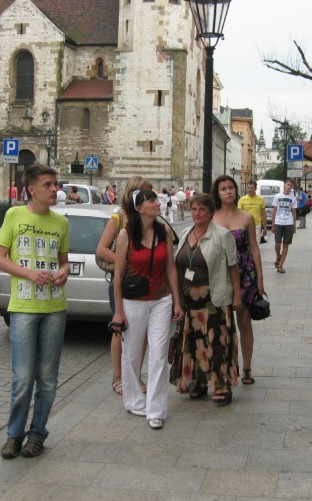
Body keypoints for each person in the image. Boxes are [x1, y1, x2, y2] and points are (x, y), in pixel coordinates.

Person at [0, 164, 70, 459]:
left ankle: (37, 434)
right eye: (48, 185)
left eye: (56, 184)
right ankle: (14, 435)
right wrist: (28, 273)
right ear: (32, 189)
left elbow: (63, 261)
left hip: (54, 307)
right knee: (23, 377)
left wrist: (63, 272)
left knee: (48, 378)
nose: (55, 189)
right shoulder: (14, 215)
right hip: (24, 307)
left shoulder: (61, 223)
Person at [110, 188, 182, 429]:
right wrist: (118, 310)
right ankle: (133, 401)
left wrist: (176, 301)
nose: (156, 203)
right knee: (131, 354)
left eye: (155, 199)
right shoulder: (125, 235)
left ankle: (156, 410)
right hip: (134, 301)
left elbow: (171, 267)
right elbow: (118, 274)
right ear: (139, 208)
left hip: (161, 299)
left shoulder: (164, 232)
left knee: (159, 353)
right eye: (151, 200)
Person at [170, 193, 241, 405]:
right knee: (192, 341)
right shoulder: (184, 233)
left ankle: (221, 384)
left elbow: (233, 267)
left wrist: (236, 295)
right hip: (189, 299)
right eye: (193, 209)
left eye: (201, 209)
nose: (197, 213)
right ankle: (197, 381)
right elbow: (178, 265)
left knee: (217, 341)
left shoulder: (222, 235)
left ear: (211, 212)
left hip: (214, 298)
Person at [96, 176, 153, 396]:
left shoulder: (148, 219)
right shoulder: (120, 217)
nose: (151, 198)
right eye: (147, 194)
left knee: (143, 330)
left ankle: (135, 375)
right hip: (122, 281)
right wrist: (126, 262)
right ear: (135, 195)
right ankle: (118, 377)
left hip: (144, 282)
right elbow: (101, 249)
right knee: (121, 328)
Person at [212, 175, 264, 387]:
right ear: (217, 193)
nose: (228, 191)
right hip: (220, 272)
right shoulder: (211, 217)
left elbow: (254, 248)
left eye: (231, 187)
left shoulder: (246, 217)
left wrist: (260, 278)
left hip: (245, 271)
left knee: (244, 322)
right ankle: (224, 366)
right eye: (223, 188)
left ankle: (247, 367)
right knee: (222, 324)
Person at [269, 179, 297, 274]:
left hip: (288, 223)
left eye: (291, 185)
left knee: (286, 245)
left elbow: (294, 212)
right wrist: (273, 224)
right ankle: (278, 256)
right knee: (277, 244)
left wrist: (294, 225)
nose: (289, 186)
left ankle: (280, 266)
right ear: (284, 185)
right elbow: (274, 211)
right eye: (288, 184)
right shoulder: (277, 196)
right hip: (278, 222)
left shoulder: (293, 198)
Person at [238, 180, 268, 244]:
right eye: (248, 188)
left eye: (252, 188)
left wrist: (265, 227)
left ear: (255, 188)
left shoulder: (261, 199)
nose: (250, 189)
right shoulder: (242, 199)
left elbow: (263, 214)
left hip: (257, 225)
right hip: (246, 225)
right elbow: (239, 214)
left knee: (256, 244)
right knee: (247, 244)